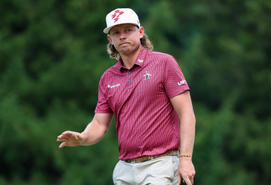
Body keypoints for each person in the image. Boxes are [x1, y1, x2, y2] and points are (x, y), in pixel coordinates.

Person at [57, 8, 196, 185]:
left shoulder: (164, 63)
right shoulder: (108, 78)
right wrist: (82, 138)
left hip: (160, 165)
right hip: (125, 169)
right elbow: (100, 124)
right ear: (110, 39)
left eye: (128, 30)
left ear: (141, 32)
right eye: (116, 32)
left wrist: (185, 158)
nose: (122, 36)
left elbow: (186, 113)